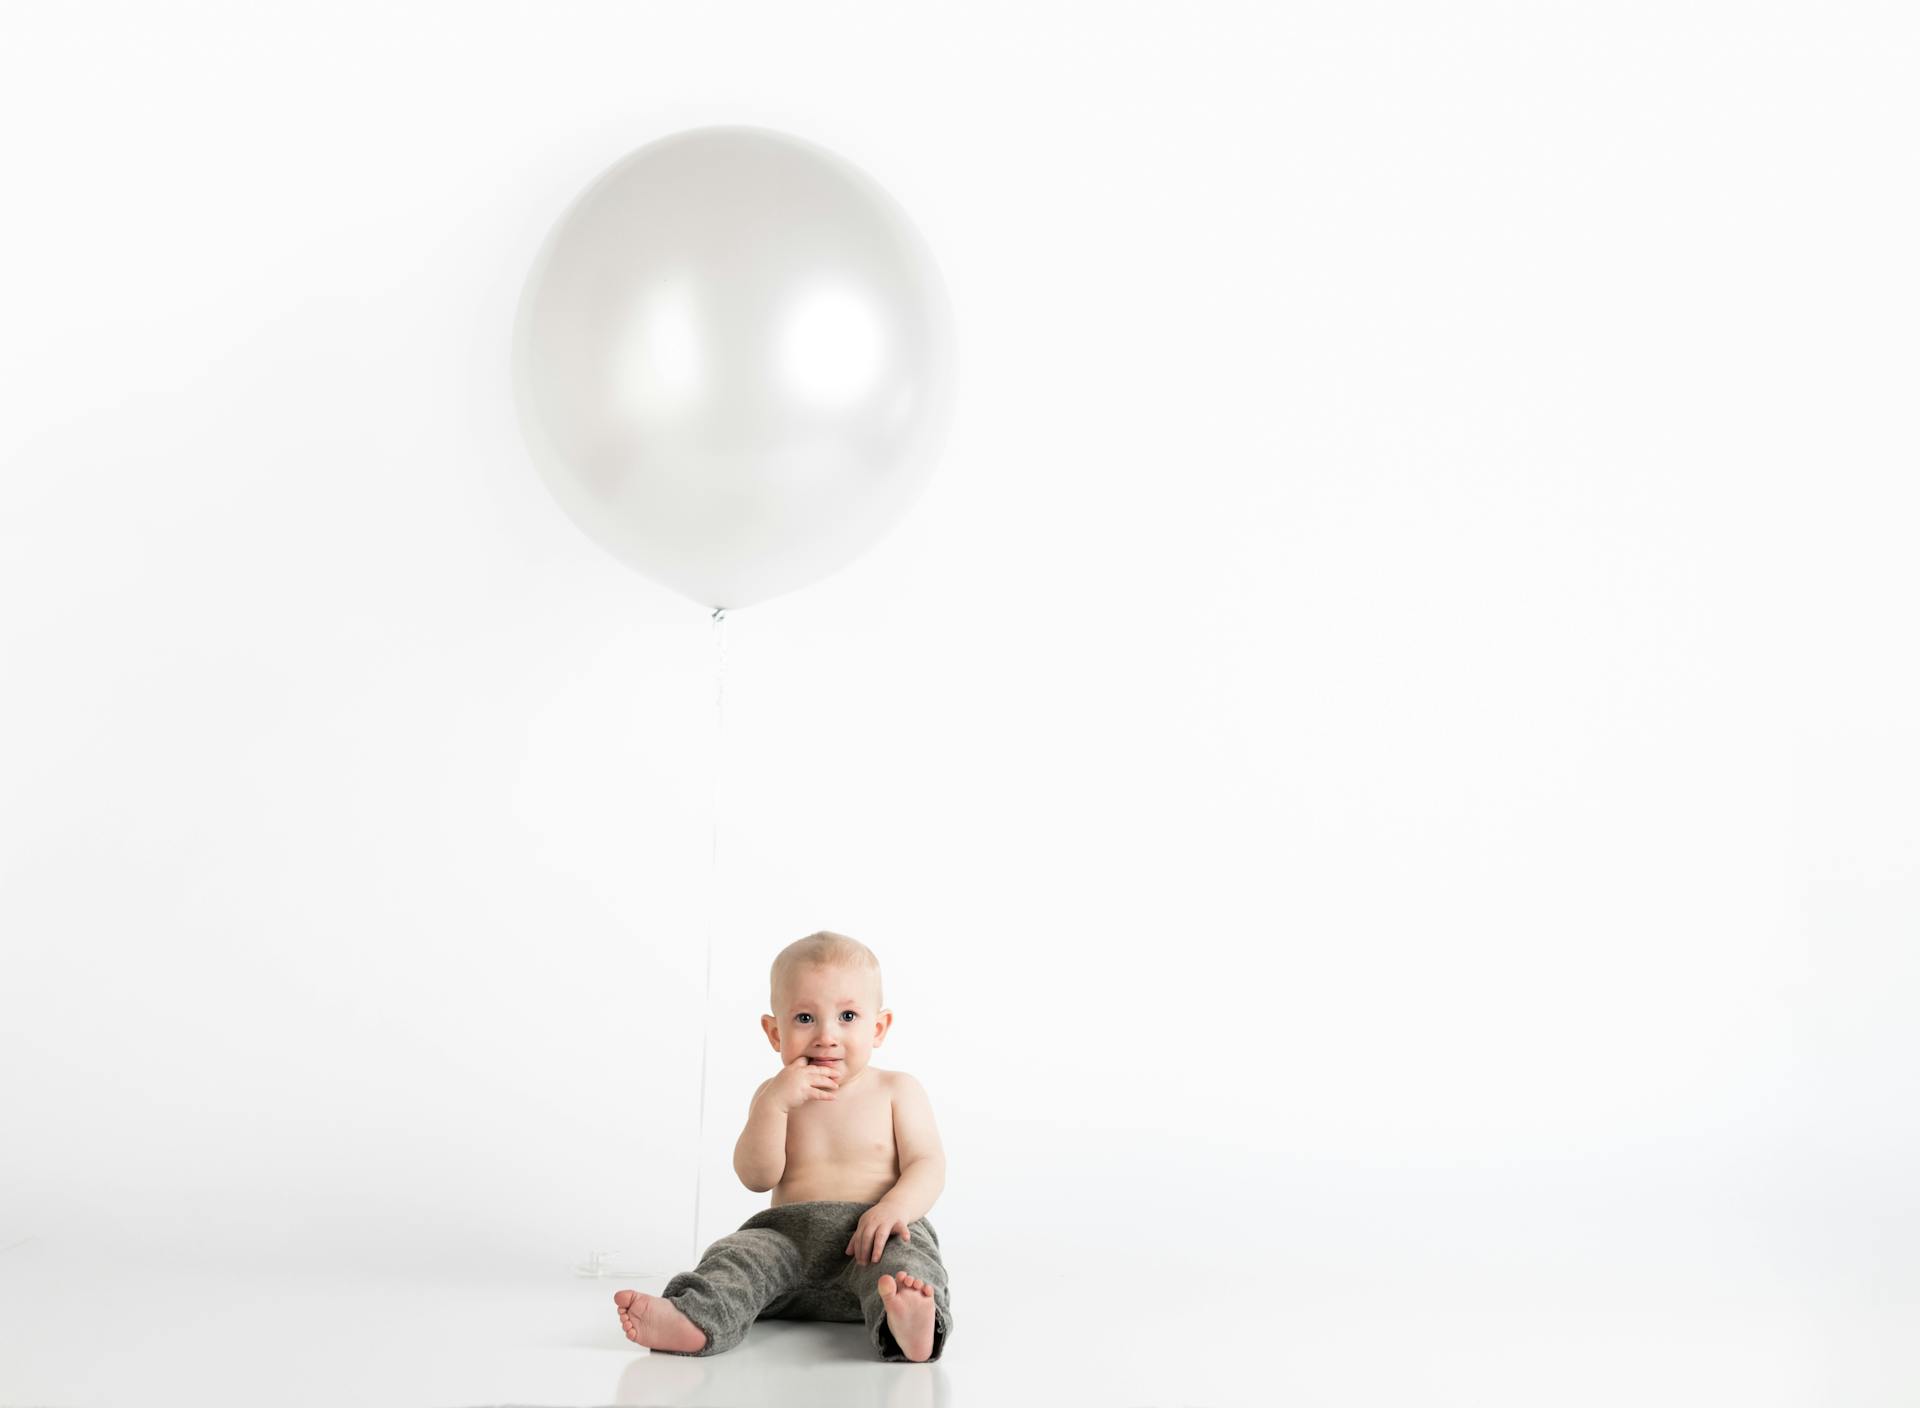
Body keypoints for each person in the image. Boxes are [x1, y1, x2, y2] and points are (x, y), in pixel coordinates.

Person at [614, 930, 953, 1362]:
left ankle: (908, 1324)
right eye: (805, 1019)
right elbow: (756, 1178)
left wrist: (895, 1209)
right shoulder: (774, 1095)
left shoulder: (896, 1090)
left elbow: (929, 1164)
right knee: (737, 1256)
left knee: (907, 1265)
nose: (826, 1035)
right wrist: (773, 1106)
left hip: (874, 1238)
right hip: (787, 1238)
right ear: (775, 1033)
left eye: (848, 1016)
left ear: (879, 1027)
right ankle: (693, 1319)